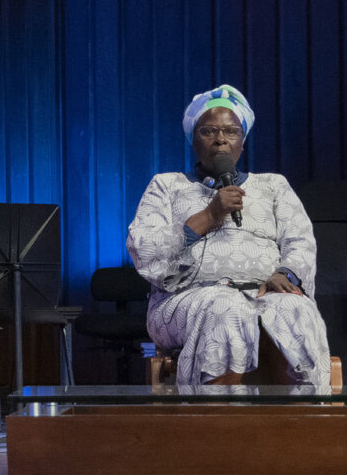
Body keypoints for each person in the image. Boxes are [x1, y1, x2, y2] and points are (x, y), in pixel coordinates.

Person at [126, 85, 332, 391]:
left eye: (230, 131)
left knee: (295, 310)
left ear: (242, 143)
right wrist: (208, 216)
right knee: (226, 306)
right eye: (208, 131)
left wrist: (284, 273)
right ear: (193, 140)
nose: (220, 139)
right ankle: (219, 422)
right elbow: (146, 252)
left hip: (265, 294)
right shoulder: (166, 186)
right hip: (184, 299)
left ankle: (299, 422)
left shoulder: (274, 185)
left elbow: (300, 242)